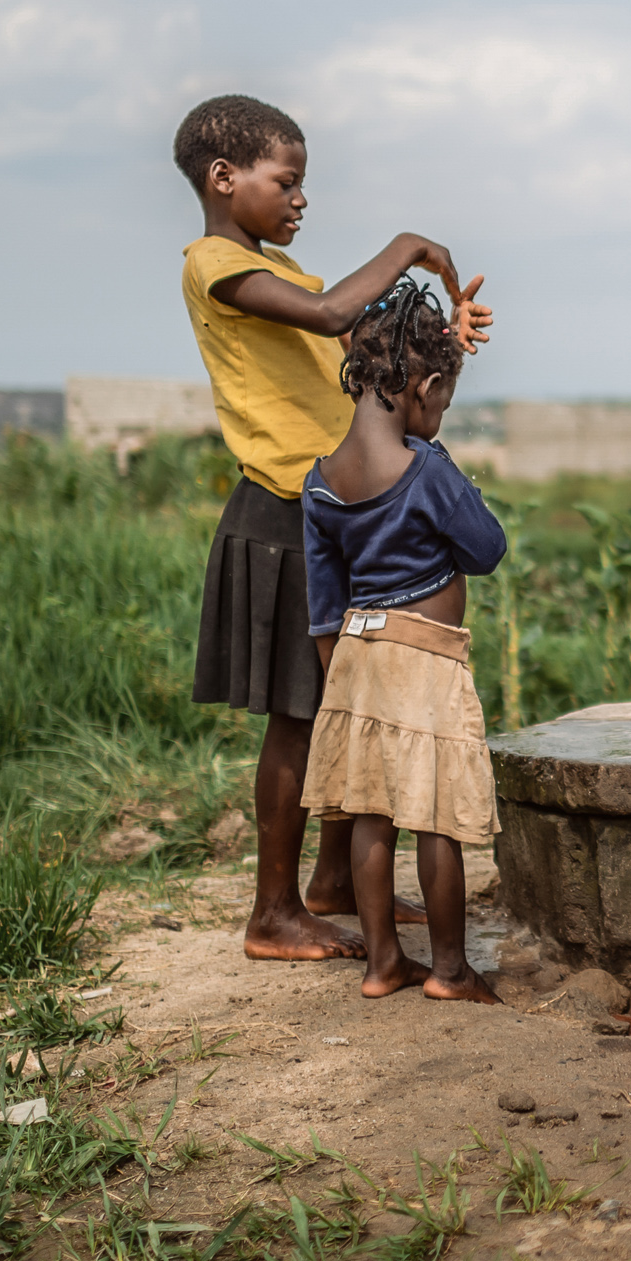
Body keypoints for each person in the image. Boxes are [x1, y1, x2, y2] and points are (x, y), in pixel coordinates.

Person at [174, 94, 491, 961]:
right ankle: (272, 913)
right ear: (224, 176)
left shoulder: (282, 271)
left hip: (328, 509)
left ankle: (333, 882)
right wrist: (409, 243)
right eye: (289, 180)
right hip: (281, 512)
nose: (301, 199)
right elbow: (327, 316)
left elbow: (360, 336)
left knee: (341, 699)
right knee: (298, 711)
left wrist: (442, 338)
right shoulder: (215, 264)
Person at [301, 280, 507, 1001]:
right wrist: (445, 456)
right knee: (436, 819)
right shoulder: (426, 471)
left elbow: (323, 605)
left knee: (370, 812)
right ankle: (450, 969)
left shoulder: (320, 482)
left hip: (355, 659)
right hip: (423, 658)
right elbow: (487, 549)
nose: (438, 416)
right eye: (441, 402)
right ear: (422, 386)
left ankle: (384, 963)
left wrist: (342, 691)